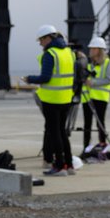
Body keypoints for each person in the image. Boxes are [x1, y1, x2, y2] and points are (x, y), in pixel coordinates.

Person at [21, 24, 75, 175]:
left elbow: (45, 77)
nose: (40, 43)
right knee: (63, 133)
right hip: (66, 98)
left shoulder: (50, 54)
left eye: (41, 40)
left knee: (54, 132)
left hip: (51, 100)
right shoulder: (69, 52)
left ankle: (59, 166)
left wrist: (29, 79)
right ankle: (69, 165)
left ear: (48, 38)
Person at [81, 35, 110, 155]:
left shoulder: (107, 63)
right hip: (87, 98)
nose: (91, 51)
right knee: (87, 124)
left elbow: (109, 79)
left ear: (100, 50)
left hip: (100, 98)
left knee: (100, 123)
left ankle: (103, 145)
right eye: (91, 48)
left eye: (94, 48)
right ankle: (86, 148)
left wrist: (93, 83)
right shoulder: (89, 64)